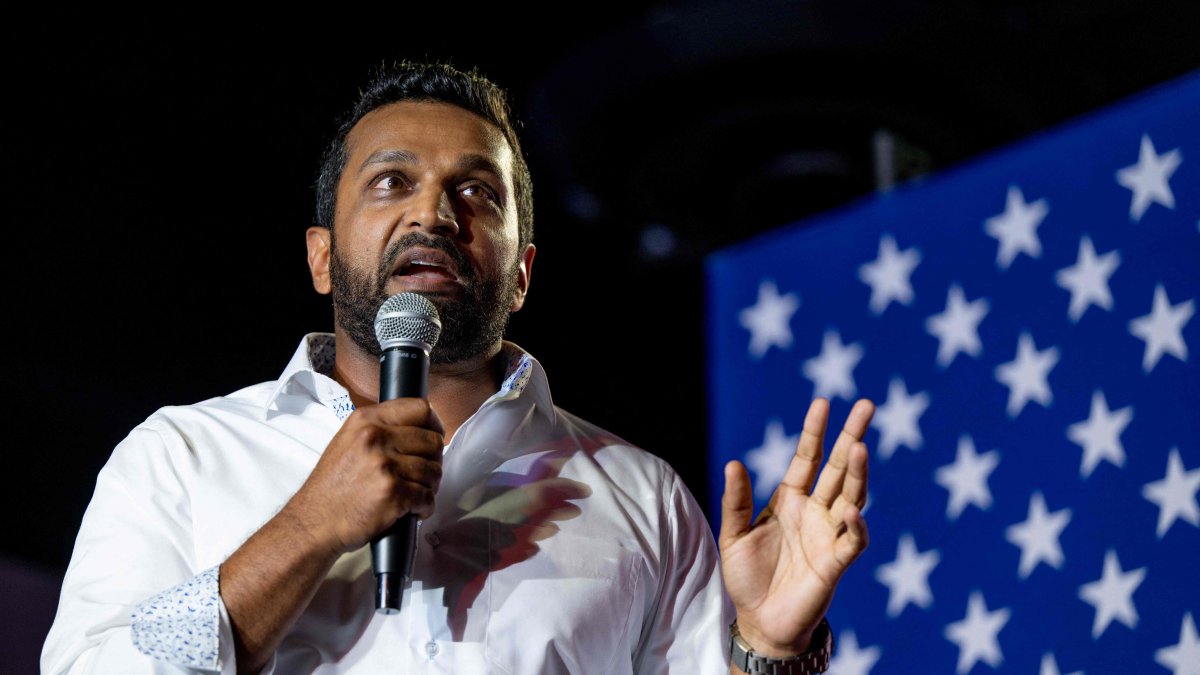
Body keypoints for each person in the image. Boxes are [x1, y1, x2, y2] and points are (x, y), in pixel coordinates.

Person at [41, 60, 875, 674]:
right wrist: (308, 527)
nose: (434, 212)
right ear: (321, 259)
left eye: (478, 192)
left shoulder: (641, 497)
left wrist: (768, 647)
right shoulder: (181, 455)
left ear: (521, 273)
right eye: (390, 181)